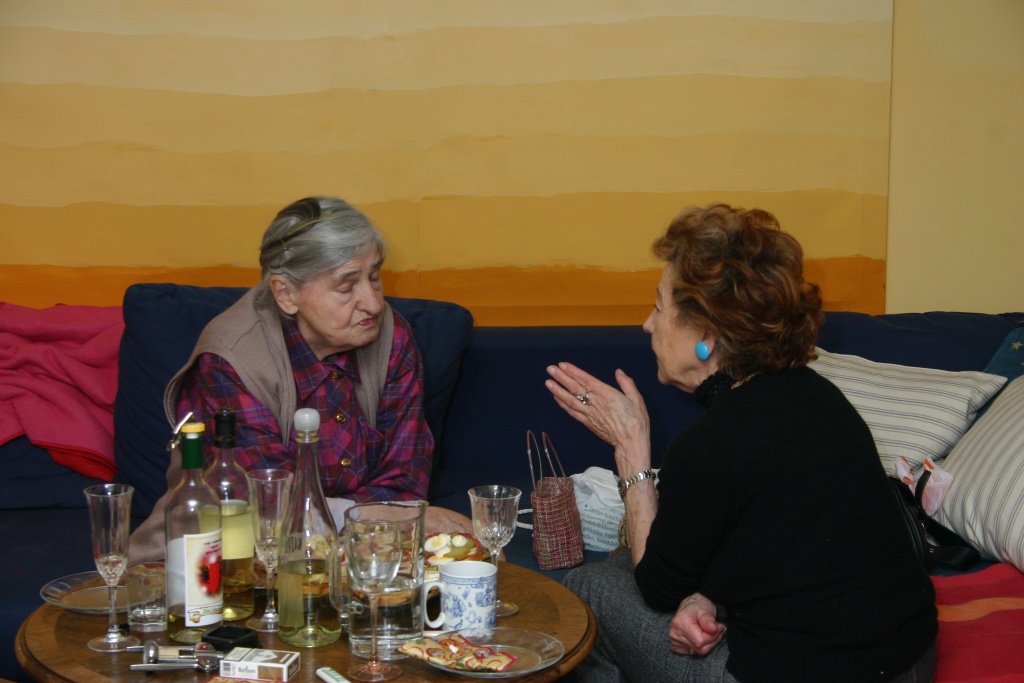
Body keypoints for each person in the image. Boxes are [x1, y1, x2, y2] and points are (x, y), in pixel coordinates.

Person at [545, 203, 937, 683]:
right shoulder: (820, 396)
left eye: (659, 307)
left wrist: (631, 449)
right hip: (912, 661)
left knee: (588, 588)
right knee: (625, 573)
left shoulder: (712, 444)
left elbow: (657, 587)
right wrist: (705, 596)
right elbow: (777, 541)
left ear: (706, 335)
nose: (648, 324)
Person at [130, 196, 470, 561]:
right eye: (346, 287)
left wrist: (372, 523)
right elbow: (267, 505)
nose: (373, 303)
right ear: (285, 294)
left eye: (374, 277)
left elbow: (404, 482)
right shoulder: (230, 360)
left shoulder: (391, 337)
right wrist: (377, 516)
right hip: (217, 563)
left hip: (360, 555)